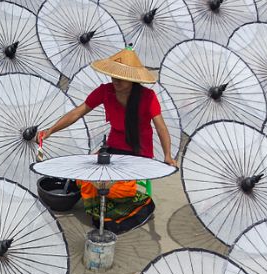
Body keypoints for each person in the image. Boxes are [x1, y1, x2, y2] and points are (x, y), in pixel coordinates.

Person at [39, 45, 178, 234]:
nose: (116, 82)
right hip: (113, 147)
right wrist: (50, 131)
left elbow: (161, 127)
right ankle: (105, 210)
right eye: (114, 77)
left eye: (121, 79)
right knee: (86, 178)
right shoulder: (105, 91)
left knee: (114, 189)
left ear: (132, 79)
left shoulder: (147, 97)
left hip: (139, 153)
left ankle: (139, 207)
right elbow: (78, 112)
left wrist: (168, 156)